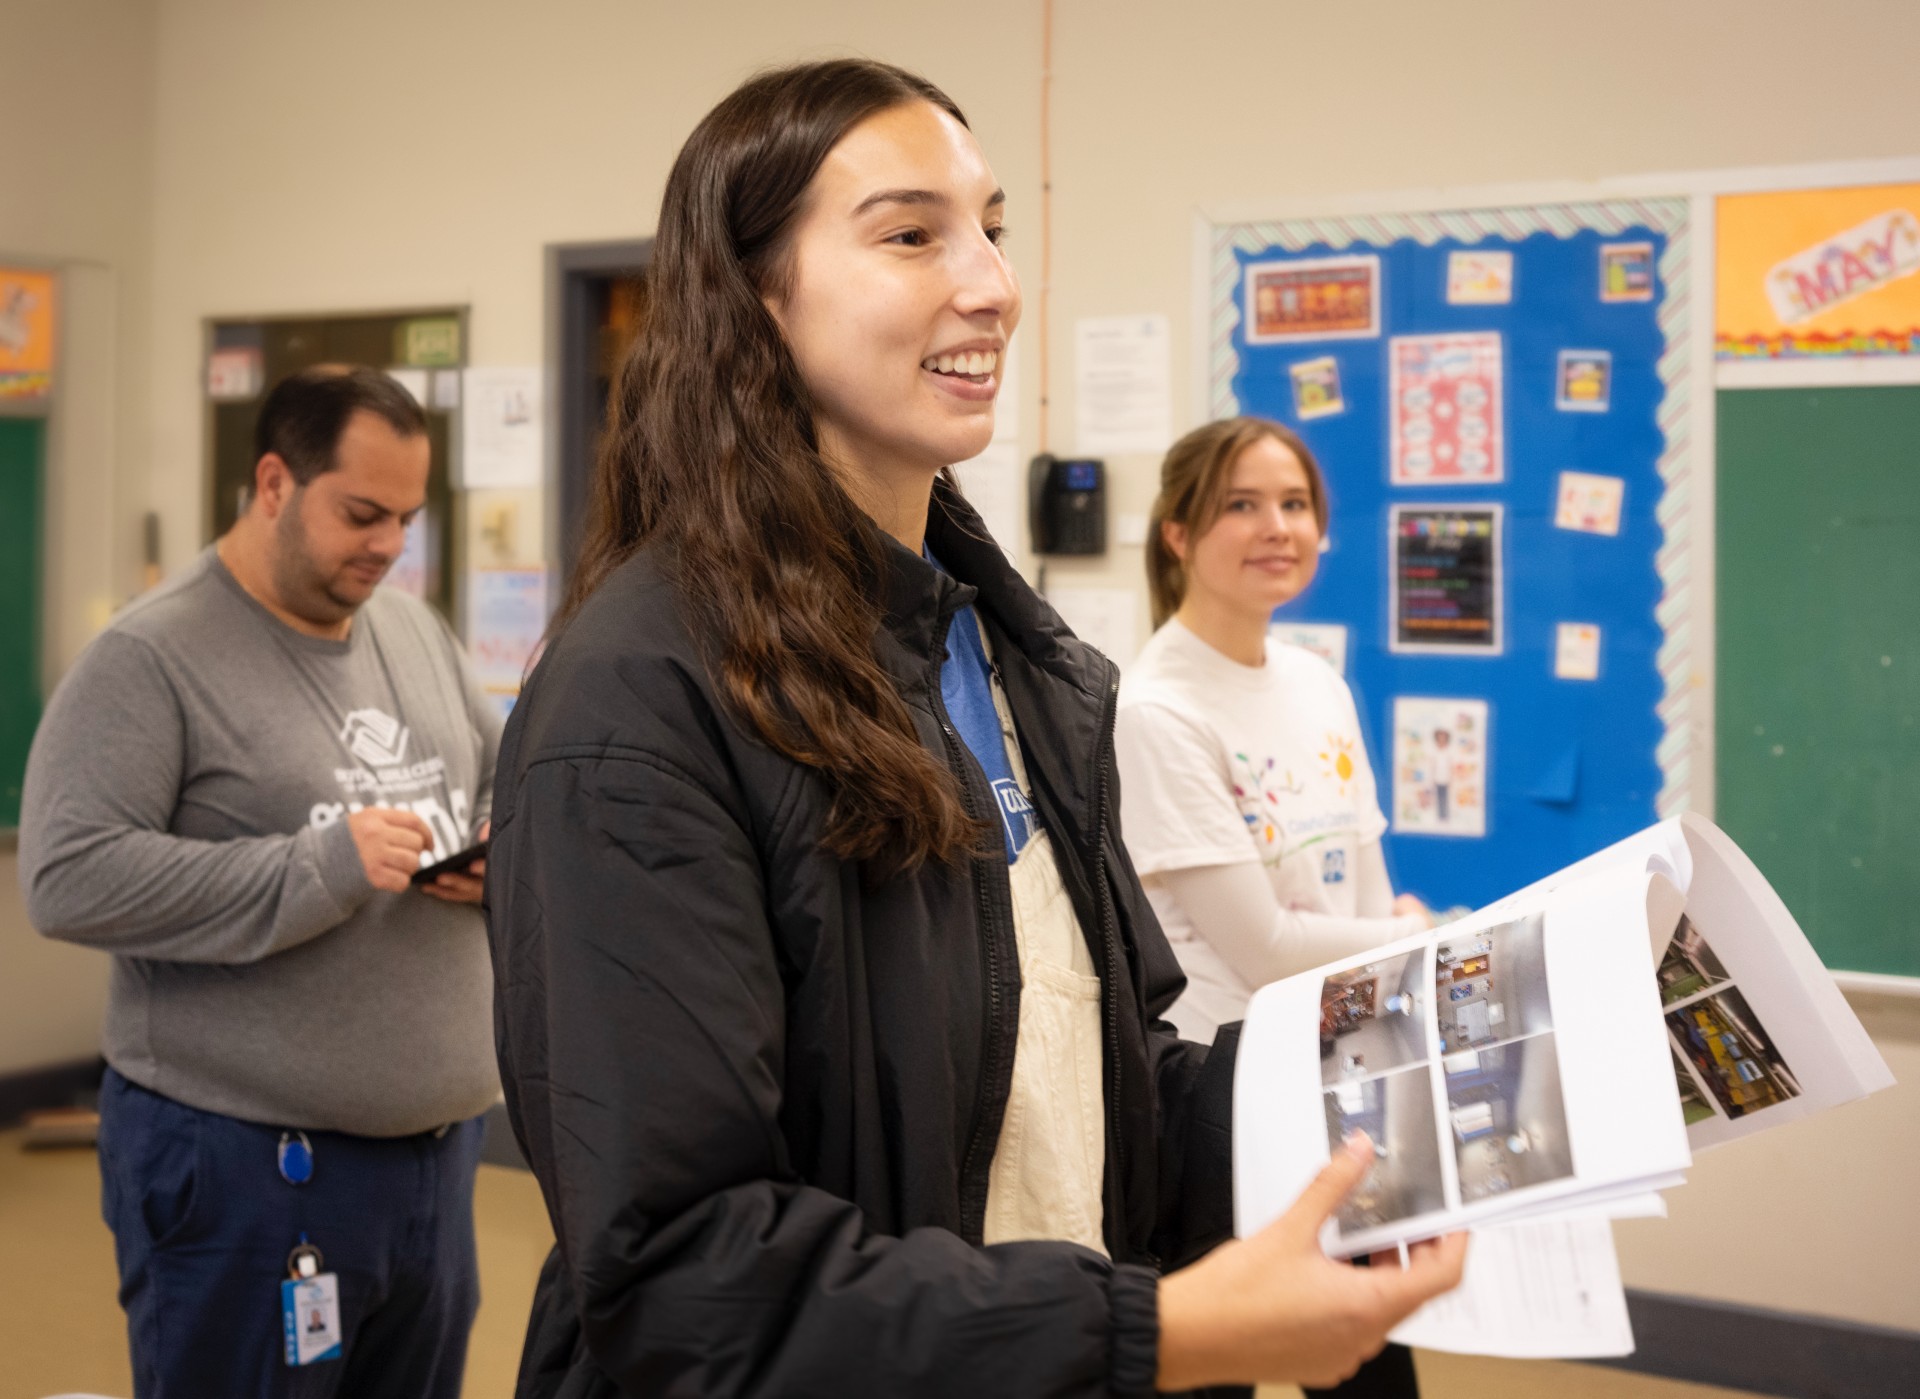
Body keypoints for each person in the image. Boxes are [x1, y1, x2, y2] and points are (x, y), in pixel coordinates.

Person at [485, 60, 1463, 1399]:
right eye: (909, 234)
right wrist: (1154, 1335)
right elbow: (682, 1275)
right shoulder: (636, 702)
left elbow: (1104, 1084)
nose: (993, 283)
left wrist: (1432, 1066)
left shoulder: (1012, 662)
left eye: (993, 226)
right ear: (753, 295)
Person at [20, 366, 502, 1398]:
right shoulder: (150, 658)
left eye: (407, 520)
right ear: (274, 483)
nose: (387, 546)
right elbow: (67, 876)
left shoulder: (411, 630)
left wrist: (509, 851)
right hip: (244, 1171)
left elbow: (506, 772)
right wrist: (319, 865)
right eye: (362, 513)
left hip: (430, 1161)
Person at [1116, 416, 1439, 1398]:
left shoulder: (1317, 681)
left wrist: (1394, 968)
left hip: (1336, 1078)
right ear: (1179, 533)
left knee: (1369, 1365)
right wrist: (1417, 939)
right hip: (1222, 1096)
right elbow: (1261, 948)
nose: (1278, 528)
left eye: (1295, 504)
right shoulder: (1154, 706)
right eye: (1242, 505)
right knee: (1219, 1375)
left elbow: (1362, 875)